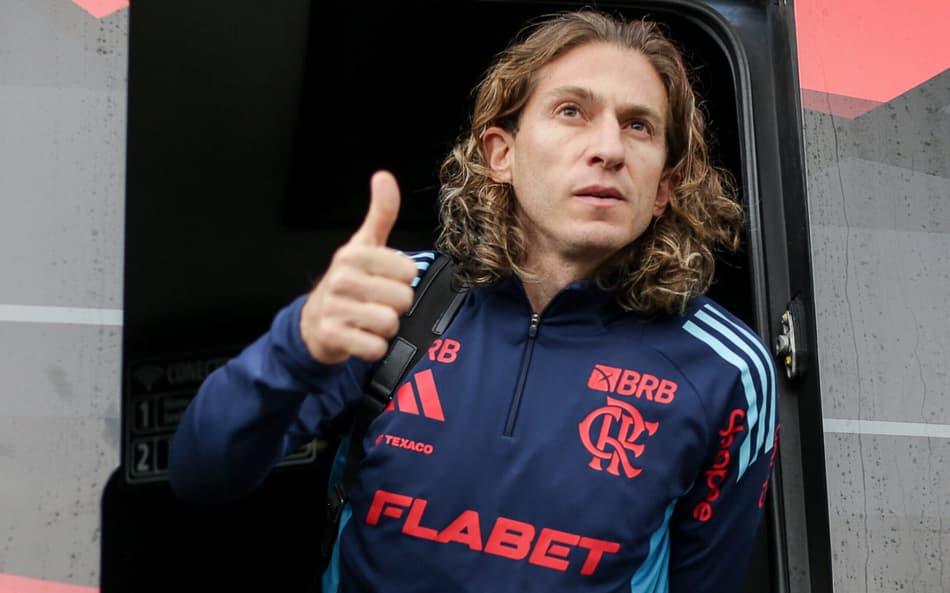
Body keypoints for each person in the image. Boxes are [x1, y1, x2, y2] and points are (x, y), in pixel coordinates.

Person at [169, 8, 779, 593]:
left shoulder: (726, 369)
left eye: (639, 126)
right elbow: (203, 475)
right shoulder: (397, 298)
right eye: (572, 111)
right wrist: (294, 345)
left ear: (663, 189)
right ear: (501, 155)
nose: (610, 149)